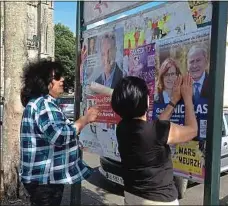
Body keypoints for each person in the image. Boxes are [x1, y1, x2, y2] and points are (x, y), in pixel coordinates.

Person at [19, 59, 99, 206]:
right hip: (45, 181)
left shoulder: (37, 102)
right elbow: (59, 135)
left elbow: (52, 133)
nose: (62, 80)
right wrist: (85, 120)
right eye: (57, 77)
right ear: (44, 82)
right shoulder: (44, 105)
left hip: (40, 179)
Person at [111, 74, 198, 205]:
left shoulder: (122, 128)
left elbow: (158, 126)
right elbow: (192, 130)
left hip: (131, 196)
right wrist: (187, 98)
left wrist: (173, 101)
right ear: (144, 100)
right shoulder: (156, 131)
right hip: (159, 200)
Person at [187, 45, 209, 152]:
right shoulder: (182, 86)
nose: (194, 65)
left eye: (198, 60)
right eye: (191, 62)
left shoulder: (213, 84)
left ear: (206, 62)